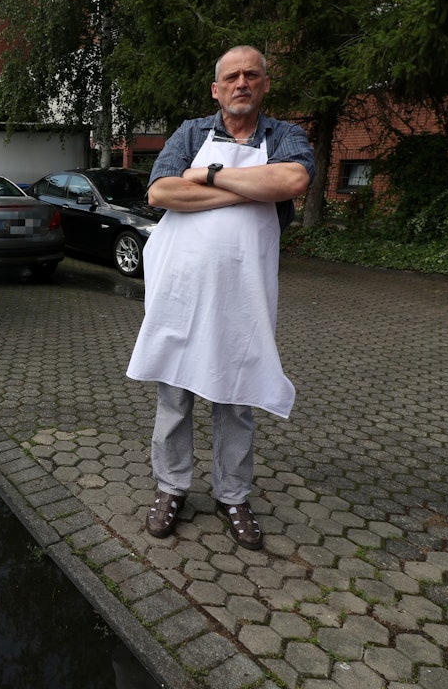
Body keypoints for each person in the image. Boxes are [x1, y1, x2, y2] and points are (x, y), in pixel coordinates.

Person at [126, 45, 315, 550]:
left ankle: (233, 496)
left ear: (264, 84)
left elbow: (293, 179)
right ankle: (171, 488)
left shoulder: (285, 136)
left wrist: (206, 176)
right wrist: (252, 189)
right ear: (217, 88)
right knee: (174, 396)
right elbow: (161, 193)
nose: (241, 83)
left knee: (237, 397)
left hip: (244, 297)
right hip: (181, 293)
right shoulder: (191, 132)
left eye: (251, 75)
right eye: (231, 76)